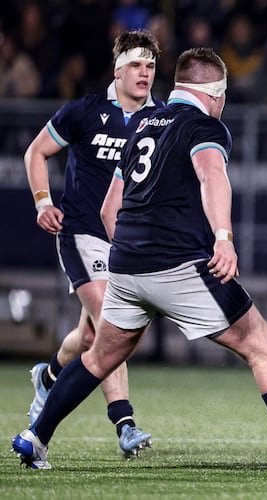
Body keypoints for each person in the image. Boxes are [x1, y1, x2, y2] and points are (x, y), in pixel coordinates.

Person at [12, 47, 267, 480]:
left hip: (125, 264)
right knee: (262, 346)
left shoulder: (143, 123)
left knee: (101, 355)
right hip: (179, 264)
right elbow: (211, 175)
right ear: (216, 93)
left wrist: (134, 253)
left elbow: (110, 209)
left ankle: (35, 437)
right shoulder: (207, 126)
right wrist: (223, 237)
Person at [22, 29, 163, 458]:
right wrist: (43, 202)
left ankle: (48, 377)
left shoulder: (161, 119)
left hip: (128, 242)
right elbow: (35, 153)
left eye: (151, 66)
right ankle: (124, 421)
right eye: (136, 65)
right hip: (82, 232)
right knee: (110, 322)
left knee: (88, 339)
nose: (145, 73)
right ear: (118, 69)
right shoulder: (85, 111)